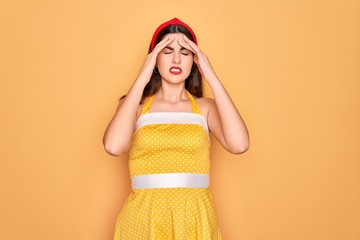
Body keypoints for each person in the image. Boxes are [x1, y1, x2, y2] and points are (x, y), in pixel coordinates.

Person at [103, 17, 249, 240]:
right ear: (154, 59)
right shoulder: (135, 107)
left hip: (195, 217)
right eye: (167, 51)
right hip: (144, 218)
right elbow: (113, 146)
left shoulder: (205, 108)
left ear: (195, 61)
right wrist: (143, 75)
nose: (177, 59)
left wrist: (211, 76)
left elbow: (239, 144)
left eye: (185, 52)